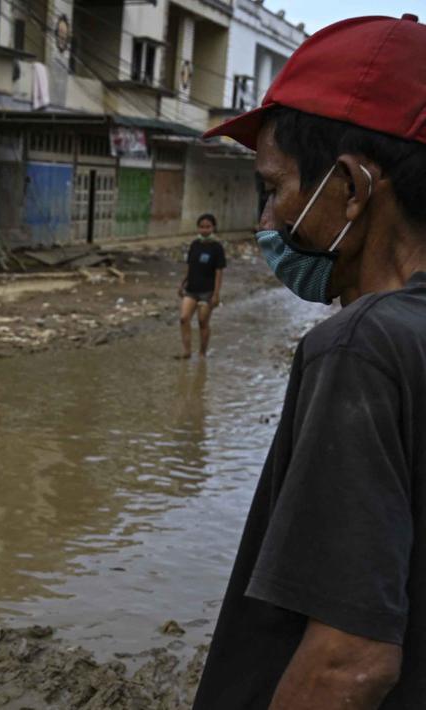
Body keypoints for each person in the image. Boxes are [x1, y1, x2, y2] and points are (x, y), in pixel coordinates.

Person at [194, 14, 426, 709]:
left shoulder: (360, 348)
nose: (266, 221)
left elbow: (347, 664)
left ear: (351, 189)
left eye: (275, 187)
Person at [176, 213, 226, 359]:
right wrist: (182, 284)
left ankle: (202, 353)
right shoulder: (194, 245)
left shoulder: (217, 248)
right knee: (184, 318)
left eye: (208, 227)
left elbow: (219, 272)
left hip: (207, 292)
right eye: (202, 227)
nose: (204, 230)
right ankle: (186, 351)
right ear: (198, 228)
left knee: (202, 322)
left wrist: (216, 294)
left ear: (213, 228)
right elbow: (190, 267)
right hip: (191, 289)